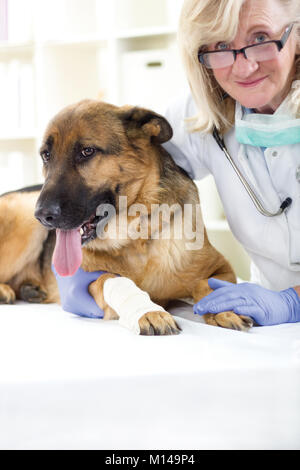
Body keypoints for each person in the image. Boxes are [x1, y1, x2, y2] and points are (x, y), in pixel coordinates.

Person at [54, 0, 300, 327]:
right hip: (261, 323)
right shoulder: (198, 114)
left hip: (281, 309)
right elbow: (124, 166)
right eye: (222, 46)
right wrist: (63, 233)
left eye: (259, 39)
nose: (243, 67)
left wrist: (291, 302)